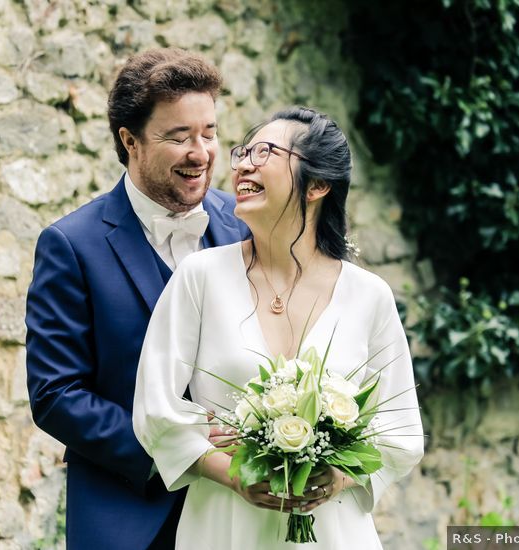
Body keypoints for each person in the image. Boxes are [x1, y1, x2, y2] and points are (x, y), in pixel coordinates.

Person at [133, 107, 424, 549]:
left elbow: (400, 429)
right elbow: (155, 408)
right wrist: (232, 475)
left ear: (319, 185)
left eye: (265, 152)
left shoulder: (369, 296)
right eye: (244, 152)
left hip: (332, 531)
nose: (244, 163)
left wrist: (339, 478)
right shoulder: (200, 276)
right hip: (224, 525)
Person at [25, 48, 250, 550]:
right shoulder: (71, 245)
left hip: (243, 513)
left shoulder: (245, 224)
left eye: (209, 133)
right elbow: (56, 394)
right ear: (130, 141)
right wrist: (179, 450)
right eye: (178, 137)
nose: (201, 153)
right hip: (130, 513)